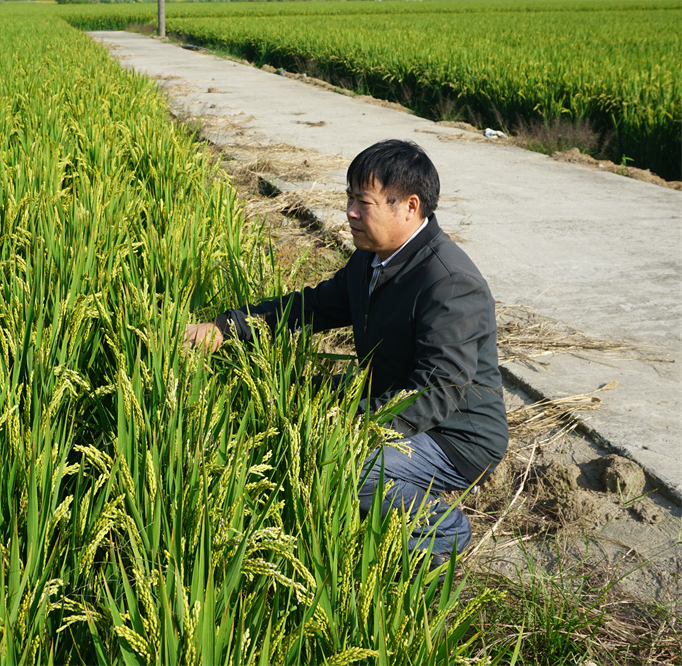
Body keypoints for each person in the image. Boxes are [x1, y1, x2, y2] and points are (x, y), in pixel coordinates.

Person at [185, 139, 508, 562]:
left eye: (365, 202)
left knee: (343, 464)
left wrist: (354, 429)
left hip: (455, 434)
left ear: (409, 207)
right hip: (386, 393)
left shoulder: (448, 282)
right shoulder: (373, 259)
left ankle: (444, 533)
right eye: (349, 199)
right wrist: (227, 328)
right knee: (286, 397)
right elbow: (312, 307)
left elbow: (438, 388)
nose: (351, 212)